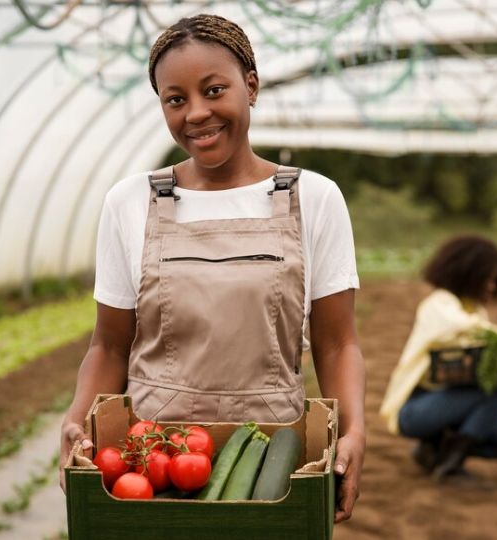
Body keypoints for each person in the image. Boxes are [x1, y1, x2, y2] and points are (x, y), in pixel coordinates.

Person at [57, 14, 365, 522]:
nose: (196, 113)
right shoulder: (130, 201)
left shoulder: (314, 197)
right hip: (152, 458)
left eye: (214, 89)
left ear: (251, 86)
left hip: (272, 456)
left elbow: (337, 343)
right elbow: (109, 344)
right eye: (175, 100)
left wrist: (353, 433)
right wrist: (76, 422)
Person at [378, 235, 497, 482]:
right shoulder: (439, 304)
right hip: (416, 408)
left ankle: (435, 448)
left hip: (450, 402)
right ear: (469, 273)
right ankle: (450, 466)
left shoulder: (474, 312)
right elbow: (456, 328)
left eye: (495, 281)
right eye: (489, 279)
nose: (492, 287)